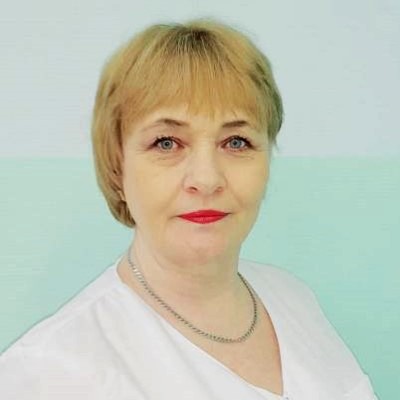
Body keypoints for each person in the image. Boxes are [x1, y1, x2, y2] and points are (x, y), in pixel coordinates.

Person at [0, 18, 378, 400]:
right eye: (167, 143)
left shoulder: (293, 298)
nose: (207, 179)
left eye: (236, 142)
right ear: (117, 167)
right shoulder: (50, 370)